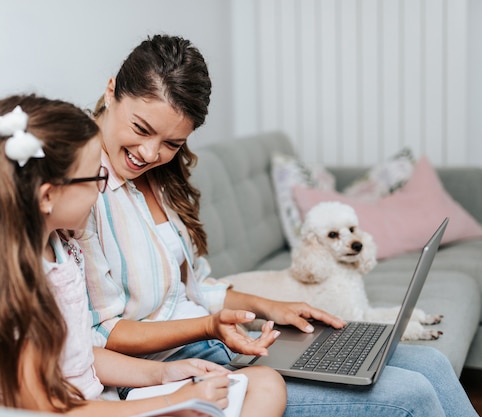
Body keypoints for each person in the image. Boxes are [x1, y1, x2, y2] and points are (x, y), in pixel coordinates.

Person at [80, 34, 478, 417]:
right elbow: (102, 332)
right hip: (172, 374)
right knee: (411, 395)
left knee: (431, 366)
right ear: (112, 89)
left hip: (222, 346)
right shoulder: (80, 190)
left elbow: (197, 288)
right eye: (141, 129)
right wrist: (208, 327)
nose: (151, 154)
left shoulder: (160, 179)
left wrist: (272, 307)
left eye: (172, 143)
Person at [0, 94, 286, 417]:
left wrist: (166, 374)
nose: (104, 186)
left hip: (97, 403)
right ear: (47, 196)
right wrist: (171, 402)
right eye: (95, 177)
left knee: (267, 385)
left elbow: (80, 356)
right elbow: (46, 409)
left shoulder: (62, 250)